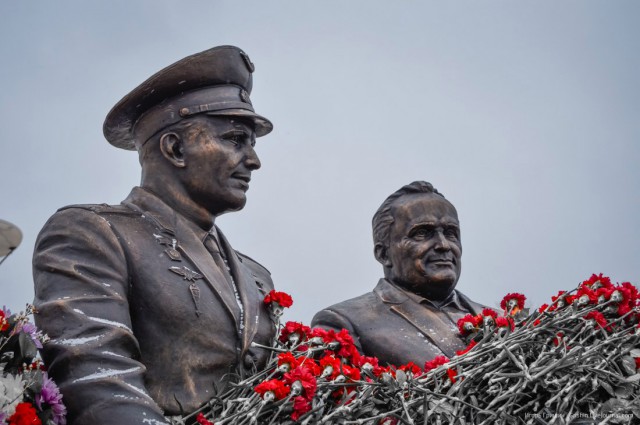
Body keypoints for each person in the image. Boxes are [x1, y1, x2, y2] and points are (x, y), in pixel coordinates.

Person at [33, 46, 276, 425]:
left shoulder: (257, 278)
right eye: (234, 139)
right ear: (175, 148)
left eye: (252, 144)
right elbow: (96, 376)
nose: (254, 161)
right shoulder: (93, 233)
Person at [312, 181, 487, 367]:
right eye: (422, 234)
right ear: (384, 254)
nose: (443, 245)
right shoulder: (345, 322)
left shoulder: (508, 320)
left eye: (451, 233)